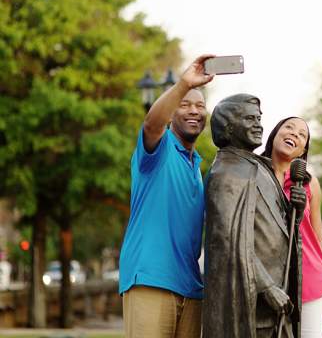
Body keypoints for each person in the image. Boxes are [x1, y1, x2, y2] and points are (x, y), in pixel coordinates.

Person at [118, 55, 214, 338]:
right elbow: (152, 123)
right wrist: (184, 84)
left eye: (200, 105)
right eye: (184, 105)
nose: (193, 110)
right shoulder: (158, 151)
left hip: (191, 287)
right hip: (151, 280)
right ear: (172, 112)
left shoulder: (197, 166)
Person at [203, 94, 305, 338]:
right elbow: (228, 241)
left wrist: (296, 214)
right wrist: (267, 286)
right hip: (253, 304)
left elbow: (277, 228)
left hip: (277, 305)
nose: (259, 124)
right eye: (249, 119)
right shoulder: (226, 173)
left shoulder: (260, 168)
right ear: (228, 127)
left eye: (259, 118)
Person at [262, 117, 322, 337]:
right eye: (288, 127)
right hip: (268, 284)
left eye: (301, 134)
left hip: (312, 284)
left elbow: (318, 237)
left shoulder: (309, 183)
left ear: (303, 150)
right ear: (275, 133)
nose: (294, 134)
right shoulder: (255, 174)